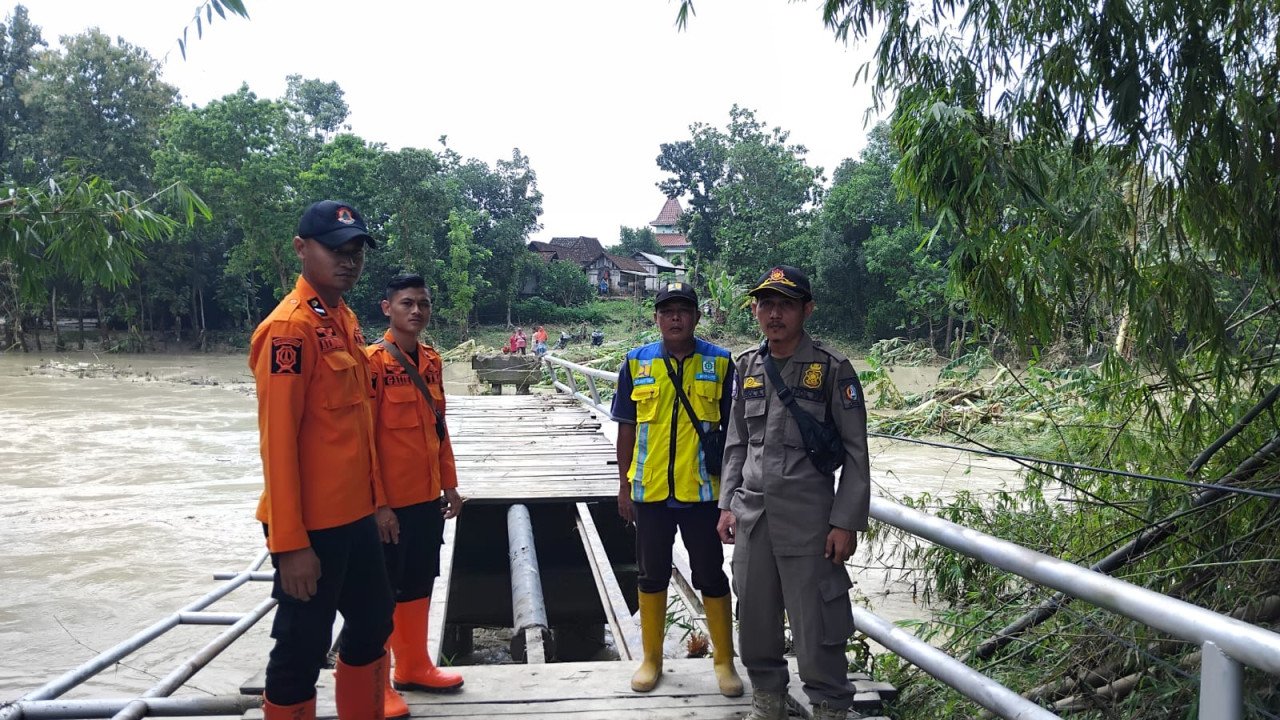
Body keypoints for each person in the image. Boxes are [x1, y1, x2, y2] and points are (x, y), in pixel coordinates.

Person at [249, 200, 394, 720]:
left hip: (355, 517)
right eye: (336, 250)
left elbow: (358, 430)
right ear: (301, 249)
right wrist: (290, 544)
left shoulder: (344, 320)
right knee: (301, 649)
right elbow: (278, 444)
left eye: (356, 251)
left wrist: (379, 505)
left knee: (375, 622)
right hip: (310, 527)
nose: (348, 260)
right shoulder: (289, 330)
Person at [716, 265, 871, 720]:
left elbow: (855, 453)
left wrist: (845, 521)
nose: (775, 313)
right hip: (754, 518)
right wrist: (727, 504)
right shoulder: (746, 366)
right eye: (766, 303)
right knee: (757, 622)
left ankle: (828, 707)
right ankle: (768, 703)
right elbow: (736, 442)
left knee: (817, 625)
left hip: (810, 523)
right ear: (755, 310)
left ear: (807, 309)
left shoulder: (830, 369)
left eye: (786, 304)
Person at [611, 281, 743, 697]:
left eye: (683, 310)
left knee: (709, 573)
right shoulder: (636, 362)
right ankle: (651, 660)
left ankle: (724, 661)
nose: (674, 317)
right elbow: (627, 429)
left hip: (703, 494)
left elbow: (738, 435)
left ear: (696, 317)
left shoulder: (721, 363)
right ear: (656, 318)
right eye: (667, 311)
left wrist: (732, 498)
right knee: (651, 573)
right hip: (649, 492)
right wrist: (623, 484)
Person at [365, 274, 466, 718]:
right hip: (389, 504)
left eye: (423, 303)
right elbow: (363, 442)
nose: (417, 311)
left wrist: (450, 485)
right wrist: (379, 504)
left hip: (427, 498)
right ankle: (378, 682)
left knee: (420, 582)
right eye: (407, 303)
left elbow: (438, 431)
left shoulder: (431, 361)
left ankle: (414, 666)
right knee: (382, 592)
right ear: (387, 308)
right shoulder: (371, 363)